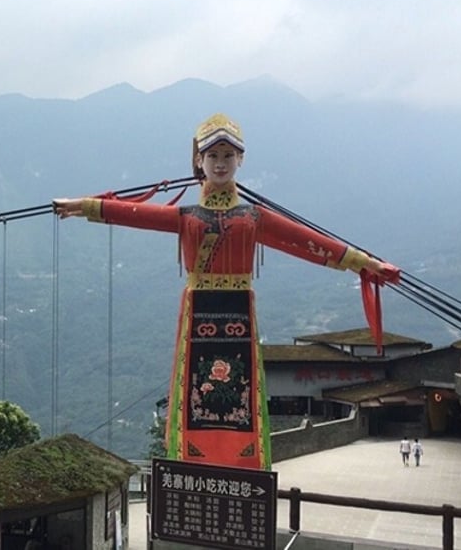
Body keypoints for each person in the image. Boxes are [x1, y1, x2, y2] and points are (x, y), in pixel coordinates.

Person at [53, 114, 400, 471]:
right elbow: (136, 213)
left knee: (238, 390)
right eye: (213, 156)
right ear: (199, 161)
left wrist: (366, 263)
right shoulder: (187, 215)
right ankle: (195, 460)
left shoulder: (252, 217)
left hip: (238, 312)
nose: (220, 163)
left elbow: (306, 240)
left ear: (240, 161)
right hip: (199, 309)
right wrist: (85, 206)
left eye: (227, 156)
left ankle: (240, 463)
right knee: (200, 392)